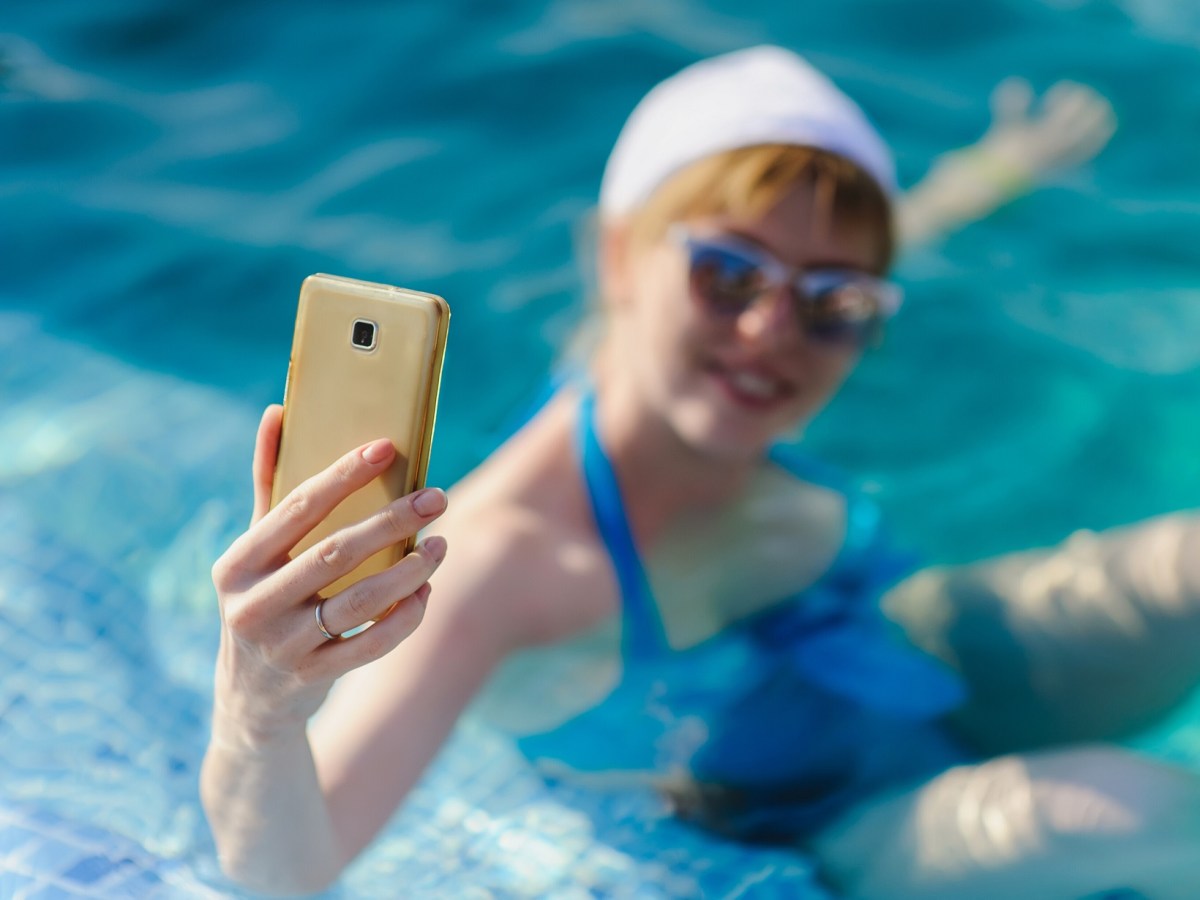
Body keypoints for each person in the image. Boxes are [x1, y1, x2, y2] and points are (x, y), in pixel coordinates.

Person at [201, 46, 1199, 898]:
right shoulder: (513, 560)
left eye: (836, 304)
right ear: (617, 259)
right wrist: (259, 704)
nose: (772, 333)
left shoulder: (693, 331)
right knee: (1141, 811)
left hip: (900, 649)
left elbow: (847, 243)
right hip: (819, 818)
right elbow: (294, 865)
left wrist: (997, 170)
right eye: (730, 276)